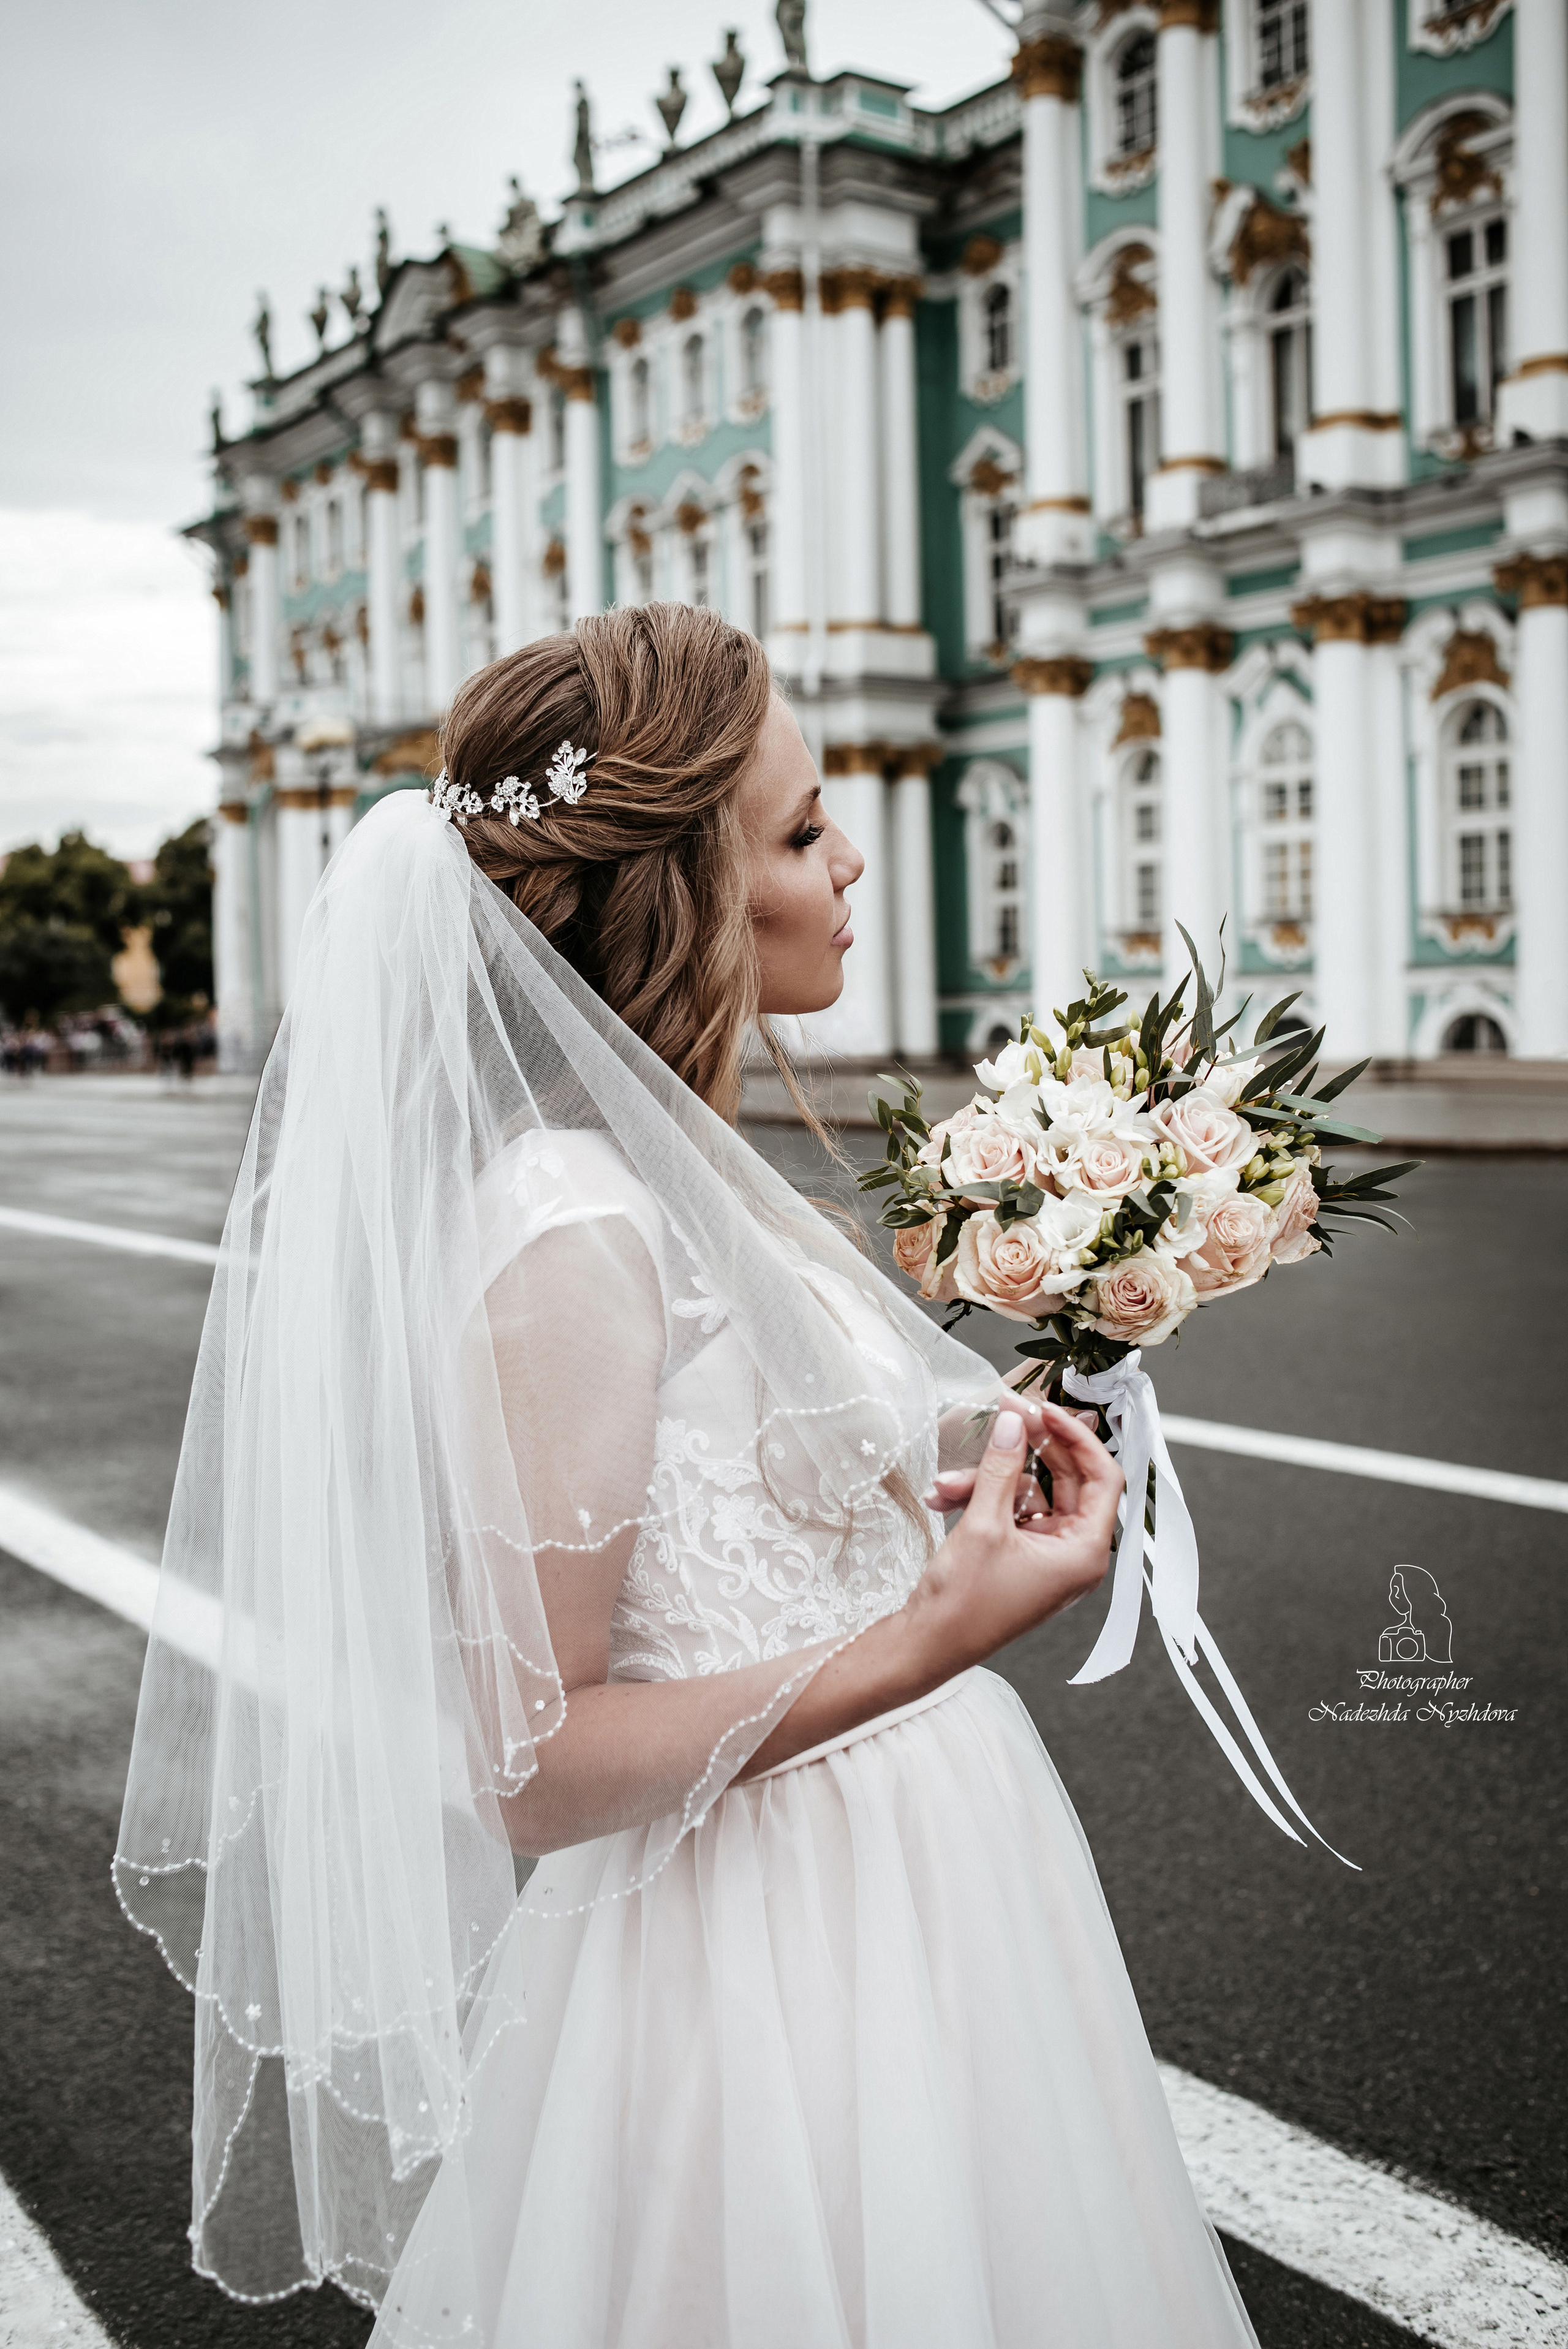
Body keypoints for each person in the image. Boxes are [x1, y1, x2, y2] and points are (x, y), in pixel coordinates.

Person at [116, 605, 1259, 2346]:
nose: (848, 854)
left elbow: (721, 1511)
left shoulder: (680, 1162)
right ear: (683, 891)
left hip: (912, 1879)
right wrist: (925, 1637)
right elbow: (536, 1758)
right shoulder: (565, 1224)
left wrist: (927, 1510)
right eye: (799, 830)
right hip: (754, 1944)